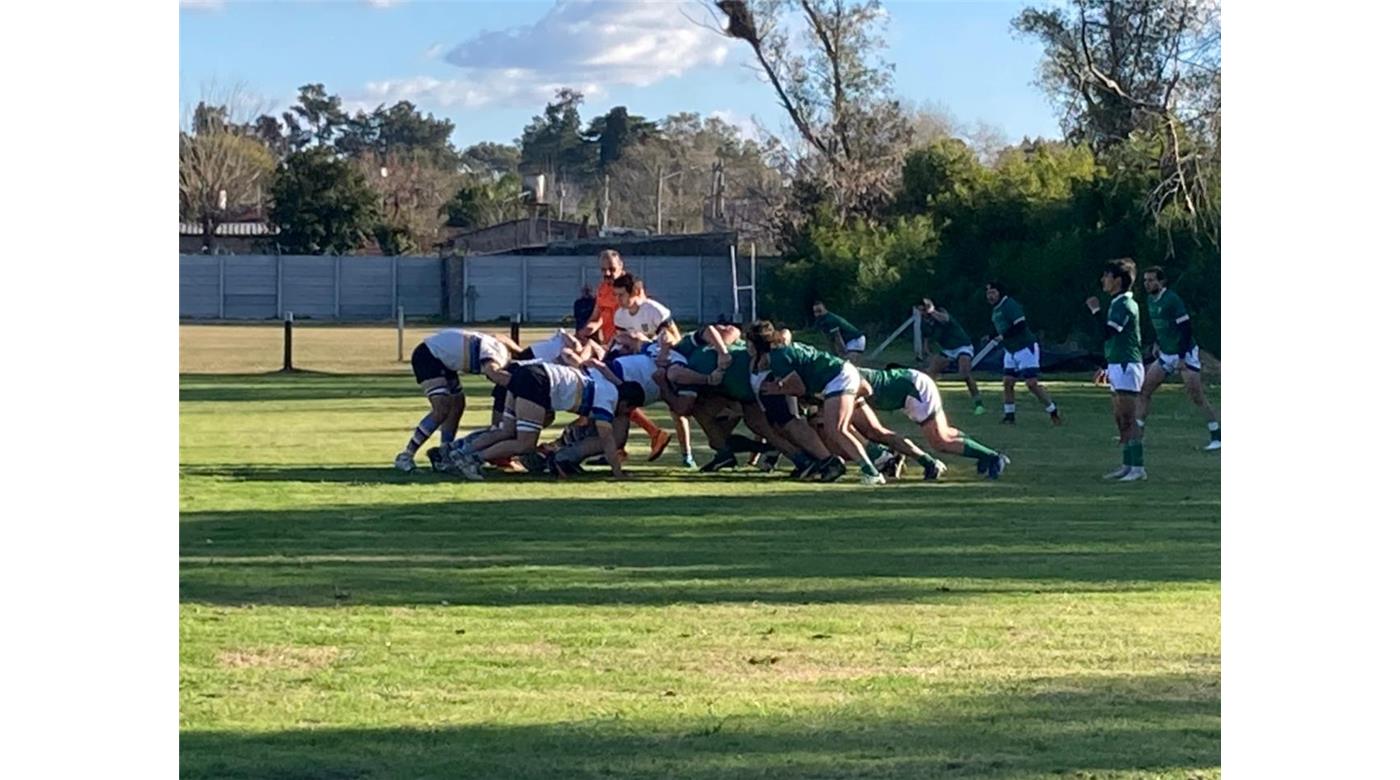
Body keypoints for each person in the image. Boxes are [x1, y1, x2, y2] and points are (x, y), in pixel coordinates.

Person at [449, 360, 645, 481]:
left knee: (506, 431)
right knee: (525, 444)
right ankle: (471, 460)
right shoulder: (608, 398)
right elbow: (607, 439)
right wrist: (617, 472)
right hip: (539, 383)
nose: (626, 413)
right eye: (629, 409)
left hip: (528, 372)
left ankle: (458, 454)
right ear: (626, 403)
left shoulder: (603, 383)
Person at [749, 321, 886, 485]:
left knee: (837, 429)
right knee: (837, 428)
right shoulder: (780, 350)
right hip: (837, 376)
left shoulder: (777, 357)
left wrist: (776, 389)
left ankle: (872, 471)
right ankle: (876, 459)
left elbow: (798, 388)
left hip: (837, 378)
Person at [579, 250, 673, 461]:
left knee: (616, 396)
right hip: (612, 345)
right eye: (603, 270)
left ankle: (647, 436)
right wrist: (586, 329)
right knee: (610, 396)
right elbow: (597, 317)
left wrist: (642, 345)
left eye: (611, 269)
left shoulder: (632, 292)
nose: (607, 274)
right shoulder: (603, 289)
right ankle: (618, 447)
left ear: (621, 266)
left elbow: (647, 322)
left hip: (631, 352)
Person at [858, 366, 1009, 480]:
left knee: (941, 441)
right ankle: (984, 455)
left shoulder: (843, 379)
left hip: (914, 389)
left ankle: (993, 457)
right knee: (945, 433)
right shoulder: (841, 376)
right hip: (910, 387)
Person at [395, 328, 511, 473]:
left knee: (458, 404)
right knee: (441, 409)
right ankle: (406, 455)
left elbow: (500, 336)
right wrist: (516, 383)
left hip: (442, 359)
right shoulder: (498, 357)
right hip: (428, 356)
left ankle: (444, 453)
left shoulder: (500, 348)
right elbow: (493, 372)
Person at [611, 272, 695, 467]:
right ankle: (617, 450)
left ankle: (687, 454)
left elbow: (675, 339)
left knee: (676, 410)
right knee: (622, 402)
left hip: (666, 362)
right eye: (615, 295)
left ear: (637, 292)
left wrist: (646, 344)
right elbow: (621, 342)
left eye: (621, 295)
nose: (618, 300)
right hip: (642, 366)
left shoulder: (654, 310)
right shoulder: (620, 316)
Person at [1138, 266, 1220, 451]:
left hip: (1185, 353)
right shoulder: (1151, 301)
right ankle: (1137, 435)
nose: (1148, 284)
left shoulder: (1172, 300)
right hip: (1166, 354)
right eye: (1145, 280)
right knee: (1145, 390)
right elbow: (1161, 327)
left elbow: (1185, 329)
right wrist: (1157, 343)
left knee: (1196, 396)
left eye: (1151, 280)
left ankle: (1217, 435)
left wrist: (1182, 357)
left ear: (1162, 282)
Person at [1085, 258, 1146, 482]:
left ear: (1118, 280)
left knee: (1129, 417)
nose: (1103, 280)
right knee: (1120, 417)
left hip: (1127, 365)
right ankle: (1127, 464)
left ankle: (1137, 467)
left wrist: (1095, 311)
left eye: (1107, 276)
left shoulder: (1124, 304)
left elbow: (1107, 333)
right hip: (1116, 363)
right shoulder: (1117, 303)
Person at [985, 281, 1061, 426]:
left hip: (1025, 348)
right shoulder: (995, 310)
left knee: (1031, 384)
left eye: (993, 292)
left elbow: (1020, 325)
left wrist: (1003, 336)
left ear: (1000, 292)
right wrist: (992, 335)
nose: (990, 296)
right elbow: (1001, 328)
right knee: (1007, 382)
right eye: (988, 293)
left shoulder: (1009, 304)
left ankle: (1053, 410)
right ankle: (1009, 415)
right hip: (1010, 350)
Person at [917, 298, 985, 415]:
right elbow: (926, 339)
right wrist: (927, 352)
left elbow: (945, 319)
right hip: (947, 350)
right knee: (930, 374)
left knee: (964, 373)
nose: (922, 313)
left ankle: (979, 404)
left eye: (923, 310)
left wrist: (932, 311)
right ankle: (926, 403)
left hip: (962, 345)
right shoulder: (924, 323)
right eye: (920, 311)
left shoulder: (941, 313)